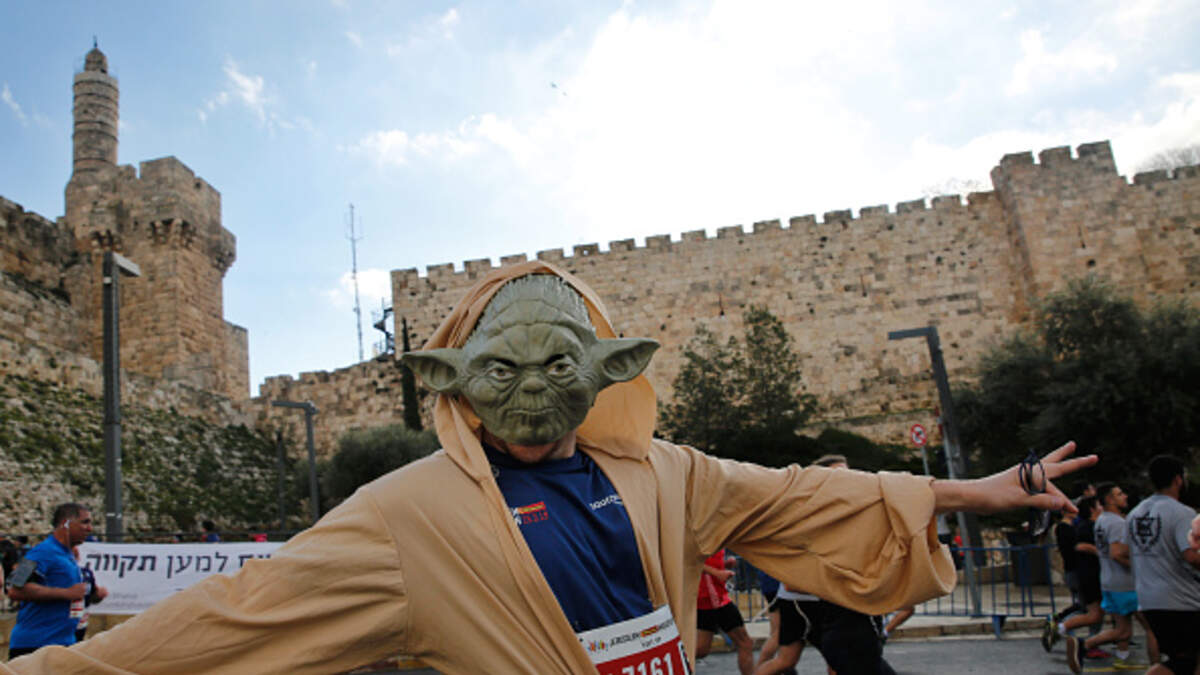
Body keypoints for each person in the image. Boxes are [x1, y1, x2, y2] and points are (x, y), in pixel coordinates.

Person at [2, 262, 1096, 674]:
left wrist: (980, 490)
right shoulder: (408, 516)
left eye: (557, 366)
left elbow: (804, 491)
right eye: (501, 369)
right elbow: (238, 616)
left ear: (606, 371)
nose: (528, 394)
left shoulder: (664, 474)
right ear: (457, 380)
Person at [1067, 483, 1159, 672]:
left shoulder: (1102, 520)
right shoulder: (1117, 523)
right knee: (1152, 628)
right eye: (1120, 494)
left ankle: (1089, 647)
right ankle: (1158, 668)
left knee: (1123, 630)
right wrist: (1141, 567)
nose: (1124, 496)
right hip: (1125, 584)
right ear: (1109, 499)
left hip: (1110, 581)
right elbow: (1116, 553)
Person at [1125, 455, 1200, 675]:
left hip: (1148, 599)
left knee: (1181, 662)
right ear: (1178, 479)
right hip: (1182, 600)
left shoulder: (1135, 514)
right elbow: (1191, 556)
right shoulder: (1181, 513)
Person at [5, 504, 93, 659]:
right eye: (84, 522)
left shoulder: (68, 555)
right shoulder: (40, 552)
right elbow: (14, 589)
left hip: (64, 644)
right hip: (35, 647)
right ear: (66, 524)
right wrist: (66, 593)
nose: (90, 529)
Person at [695, 549, 755, 675]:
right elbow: (690, 560)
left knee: (701, 650)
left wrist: (724, 565)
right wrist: (717, 573)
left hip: (713, 594)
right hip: (712, 595)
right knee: (745, 642)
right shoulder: (698, 537)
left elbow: (707, 561)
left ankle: (668, 659)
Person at [1042, 508, 1083, 651]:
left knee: (1082, 605)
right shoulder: (1064, 528)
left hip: (1073, 570)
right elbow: (1073, 549)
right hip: (1075, 570)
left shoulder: (1068, 527)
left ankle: (1059, 622)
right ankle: (1058, 624)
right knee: (1084, 607)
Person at [752, 569, 797, 675]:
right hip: (778, 584)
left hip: (773, 583)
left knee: (777, 634)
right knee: (778, 634)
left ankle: (777, 669)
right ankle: (762, 669)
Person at [70, 546, 107, 642]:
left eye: (75, 555)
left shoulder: (86, 573)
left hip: (80, 620)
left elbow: (92, 597)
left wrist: (99, 595)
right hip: (60, 620)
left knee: (77, 644)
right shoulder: (54, 573)